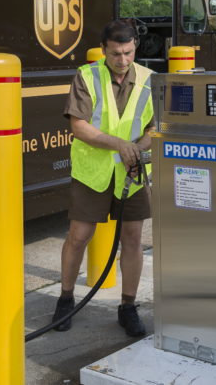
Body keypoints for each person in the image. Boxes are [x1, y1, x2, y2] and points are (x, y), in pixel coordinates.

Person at [52, 18, 154, 336]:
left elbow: (157, 126)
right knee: (78, 237)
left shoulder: (152, 80)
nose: (122, 61)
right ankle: (66, 300)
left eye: (127, 52)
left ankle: (127, 306)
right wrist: (120, 145)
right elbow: (79, 126)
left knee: (133, 240)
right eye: (115, 54)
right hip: (93, 173)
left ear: (135, 46)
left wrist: (137, 149)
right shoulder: (87, 76)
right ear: (103, 50)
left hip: (132, 173)